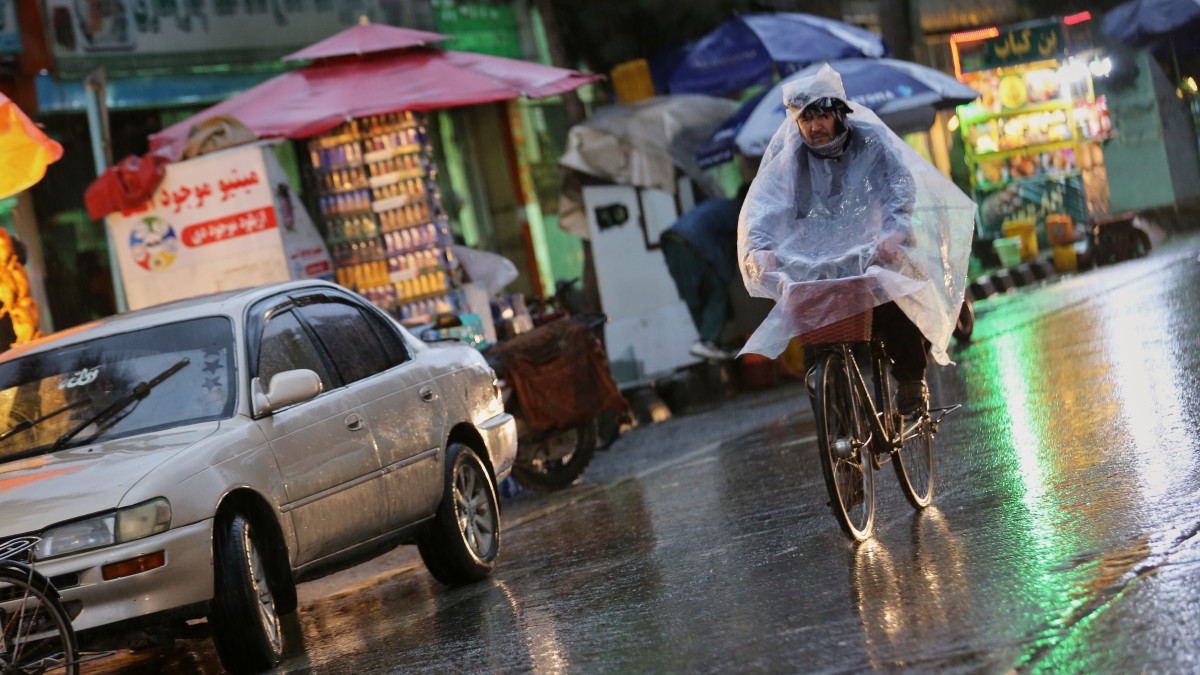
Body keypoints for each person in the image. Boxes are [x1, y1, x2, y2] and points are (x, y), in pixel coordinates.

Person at [738, 64, 975, 415]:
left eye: (822, 116)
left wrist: (894, 231)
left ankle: (911, 379)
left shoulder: (870, 142)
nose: (815, 127)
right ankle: (835, 422)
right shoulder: (790, 160)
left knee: (894, 299)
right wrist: (759, 249)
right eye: (806, 119)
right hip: (815, 260)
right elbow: (765, 208)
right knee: (814, 331)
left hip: (872, 247)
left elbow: (899, 185)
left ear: (839, 114)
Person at [661, 185, 748, 361]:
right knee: (717, 292)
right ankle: (708, 342)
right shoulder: (738, 210)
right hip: (690, 244)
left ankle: (708, 344)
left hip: (672, 242)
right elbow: (743, 241)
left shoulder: (720, 204)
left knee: (695, 298)